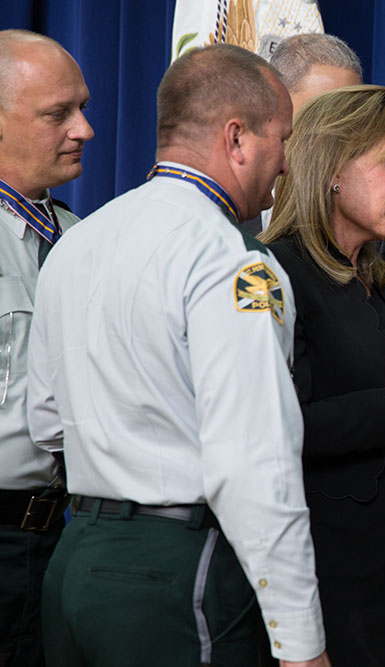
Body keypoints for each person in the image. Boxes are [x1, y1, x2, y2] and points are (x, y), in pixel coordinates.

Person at [26, 44, 330, 667]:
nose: (287, 165)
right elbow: (255, 461)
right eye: (283, 139)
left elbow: (47, 423)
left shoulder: (78, 243)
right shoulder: (233, 262)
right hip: (177, 575)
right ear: (237, 138)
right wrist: (303, 644)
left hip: (74, 563)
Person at [259, 85, 385, 666]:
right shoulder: (273, 273)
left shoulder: (377, 277)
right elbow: (277, 428)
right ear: (331, 169)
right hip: (332, 571)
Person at [0, 29, 93, 667]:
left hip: (60, 535)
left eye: (82, 107)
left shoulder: (86, 240)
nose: (84, 128)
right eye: (58, 113)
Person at [244, 33, 364, 235]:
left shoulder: (363, 208)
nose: (339, 131)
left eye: (350, 117)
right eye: (320, 115)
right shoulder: (221, 198)